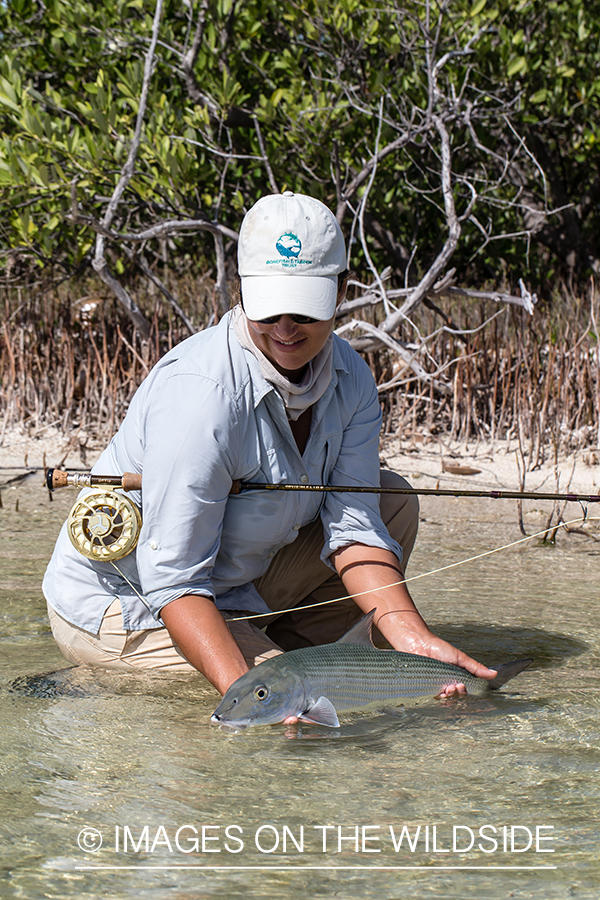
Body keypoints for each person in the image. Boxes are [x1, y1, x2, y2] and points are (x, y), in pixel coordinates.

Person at [43, 191, 496, 710]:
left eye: (303, 308)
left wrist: (414, 638)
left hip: (237, 588)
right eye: (270, 306)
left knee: (392, 501)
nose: (285, 328)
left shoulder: (351, 378)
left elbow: (356, 529)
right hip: (132, 604)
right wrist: (250, 696)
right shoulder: (200, 397)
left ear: (341, 291)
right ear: (240, 291)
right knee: (293, 703)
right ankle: (124, 668)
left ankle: (288, 650)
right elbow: (173, 579)